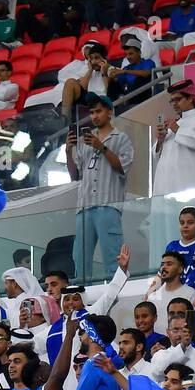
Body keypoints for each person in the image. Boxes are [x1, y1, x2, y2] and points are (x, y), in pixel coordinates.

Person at [66, 93, 133, 282]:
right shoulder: (84, 141)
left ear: (109, 112)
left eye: (99, 111)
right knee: (80, 259)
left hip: (108, 204)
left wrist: (101, 147)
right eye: (92, 112)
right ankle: (82, 299)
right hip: (84, 206)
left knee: (113, 257)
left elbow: (123, 167)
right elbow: (74, 175)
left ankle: (116, 297)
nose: (95, 116)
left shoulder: (121, 138)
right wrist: (67, 150)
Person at [151, 79, 195, 197]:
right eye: (171, 101)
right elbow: (155, 157)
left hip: (193, 187)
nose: (174, 104)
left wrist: (178, 130)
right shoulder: (173, 125)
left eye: (177, 99)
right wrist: (160, 141)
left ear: (190, 98)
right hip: (166, 189)